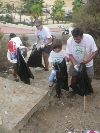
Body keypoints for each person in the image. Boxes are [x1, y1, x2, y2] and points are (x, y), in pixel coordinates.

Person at [66, 27, 98, 98]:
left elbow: (95, 51)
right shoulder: (69, 41)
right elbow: (70, 55)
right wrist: (74, 65)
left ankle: (86, 89)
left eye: (79, 39)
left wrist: (88, 60)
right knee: (74, 76)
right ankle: (73, 90)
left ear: (82, 36)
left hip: (87, 63)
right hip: (76, 62)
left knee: (89, 77)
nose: (77, 41)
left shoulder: (89, 38)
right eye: (75, 39)